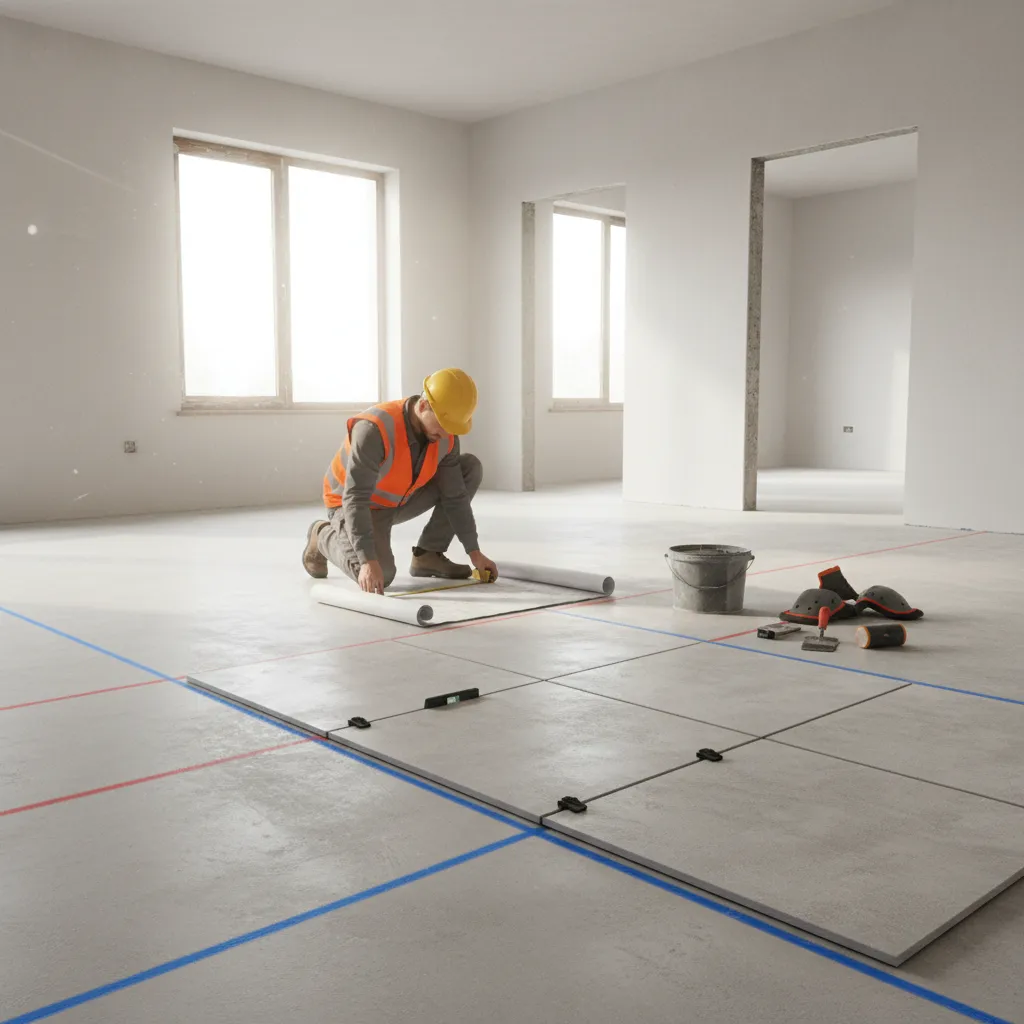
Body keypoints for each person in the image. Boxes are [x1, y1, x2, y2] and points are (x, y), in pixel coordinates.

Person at [302, 368, 499, 595]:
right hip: (351, 504)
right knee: (380, 575)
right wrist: (367, 560)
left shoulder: (445, 436)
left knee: (469, 468)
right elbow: (355, 498)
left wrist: (474, 552)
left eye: (452, 427)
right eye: (444, 424)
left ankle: (429, 555)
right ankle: (323, 534)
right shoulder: (374, 430)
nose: (447, 435)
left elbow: (455, 496)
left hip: (399, 499)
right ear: (424, 406)